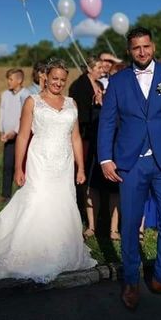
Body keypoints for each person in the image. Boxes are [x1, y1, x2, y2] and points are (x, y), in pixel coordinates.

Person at [98, 26, 161, 311]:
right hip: (130, 163)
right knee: (129, 224)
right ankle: (130, 281)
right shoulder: (117, 82)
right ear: (129, 51)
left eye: (146, 46)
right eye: (136, 48)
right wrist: (106, 158)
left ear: (152, 46)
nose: (142, 52)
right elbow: (107, 122)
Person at [0, 59, 97, 283]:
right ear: (45, 76)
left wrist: (81, 167)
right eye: (54, 78)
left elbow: (75, 137)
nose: (58, 83)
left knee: (62, 202)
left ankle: (60, 249)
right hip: (40, 160)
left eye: (62, 80)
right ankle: (31, 250)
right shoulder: (32, 101)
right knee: (38, 200)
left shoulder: (71, 103)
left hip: (63, 163)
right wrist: (19, 166)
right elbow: (23, 136)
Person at [68, 56, 111, 237]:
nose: (102, 70)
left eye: (102, 67)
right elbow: (76, 114)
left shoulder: (101, 86)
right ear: (89, 69)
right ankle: (83, 210)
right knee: (83, 175)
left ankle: (101, 214)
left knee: (98, 176)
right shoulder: (78, 86)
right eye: (99, 67)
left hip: (99, 136)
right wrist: (94, 106)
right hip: (84, 136)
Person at [0, 68, 30, 203]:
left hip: (20, 135)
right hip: (7, 136)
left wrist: (15, 132)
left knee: (21, 164)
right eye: (8, 79)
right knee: (7, 165)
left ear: (19, 80)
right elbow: (2, 111)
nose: (8, 82)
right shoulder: (5, 94)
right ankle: (5, 194)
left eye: (10, 79)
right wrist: (2, 130)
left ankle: (22, 193)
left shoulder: (26, 94)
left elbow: (24, 116)